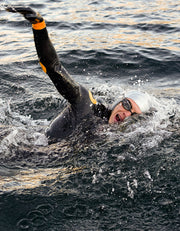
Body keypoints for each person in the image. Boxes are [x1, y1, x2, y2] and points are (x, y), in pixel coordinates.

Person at [6, 6, 151, 144]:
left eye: (133, 115)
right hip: (25, 150)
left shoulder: (114, 134)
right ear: (119, 101)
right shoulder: (85, 103)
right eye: (126, 105)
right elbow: (53, 67)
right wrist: (39, 26)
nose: (126, 113)